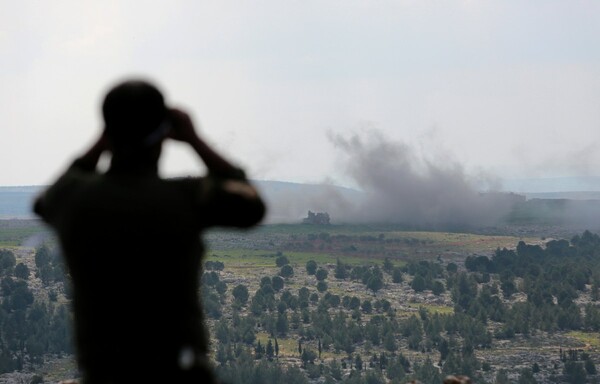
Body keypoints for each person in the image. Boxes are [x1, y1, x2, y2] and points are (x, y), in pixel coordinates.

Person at [33, 79, 266, 384]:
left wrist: (103, 140)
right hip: (178, 372)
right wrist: (195, 140)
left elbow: (47, 200)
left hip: (105, 373)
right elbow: (251, 206)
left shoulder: (76, 199)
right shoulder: (184, 198)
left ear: (107, 133)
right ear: (162, 137)